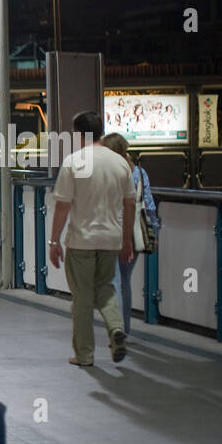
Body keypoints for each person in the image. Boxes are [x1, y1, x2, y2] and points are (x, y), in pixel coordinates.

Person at [48, 110, 136, 367]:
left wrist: (54, 242)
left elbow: (63, 206)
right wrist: (127, 238)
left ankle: (84, 354)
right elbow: (130, 203)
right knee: (105, 288)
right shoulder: (120, 162)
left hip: (82, 240)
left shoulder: (75, 162)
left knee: (82, 299)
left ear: (78, 134)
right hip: (111, 239)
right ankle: (116, 329)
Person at [100, 133, 160, 336]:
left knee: (114, 280)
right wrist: (155, 229)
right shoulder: (140, 173)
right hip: (135, 234)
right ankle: (124, 328)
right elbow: (149, 204)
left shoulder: (108, 173)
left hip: (113, 231)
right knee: (124, 281)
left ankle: (116, 330)